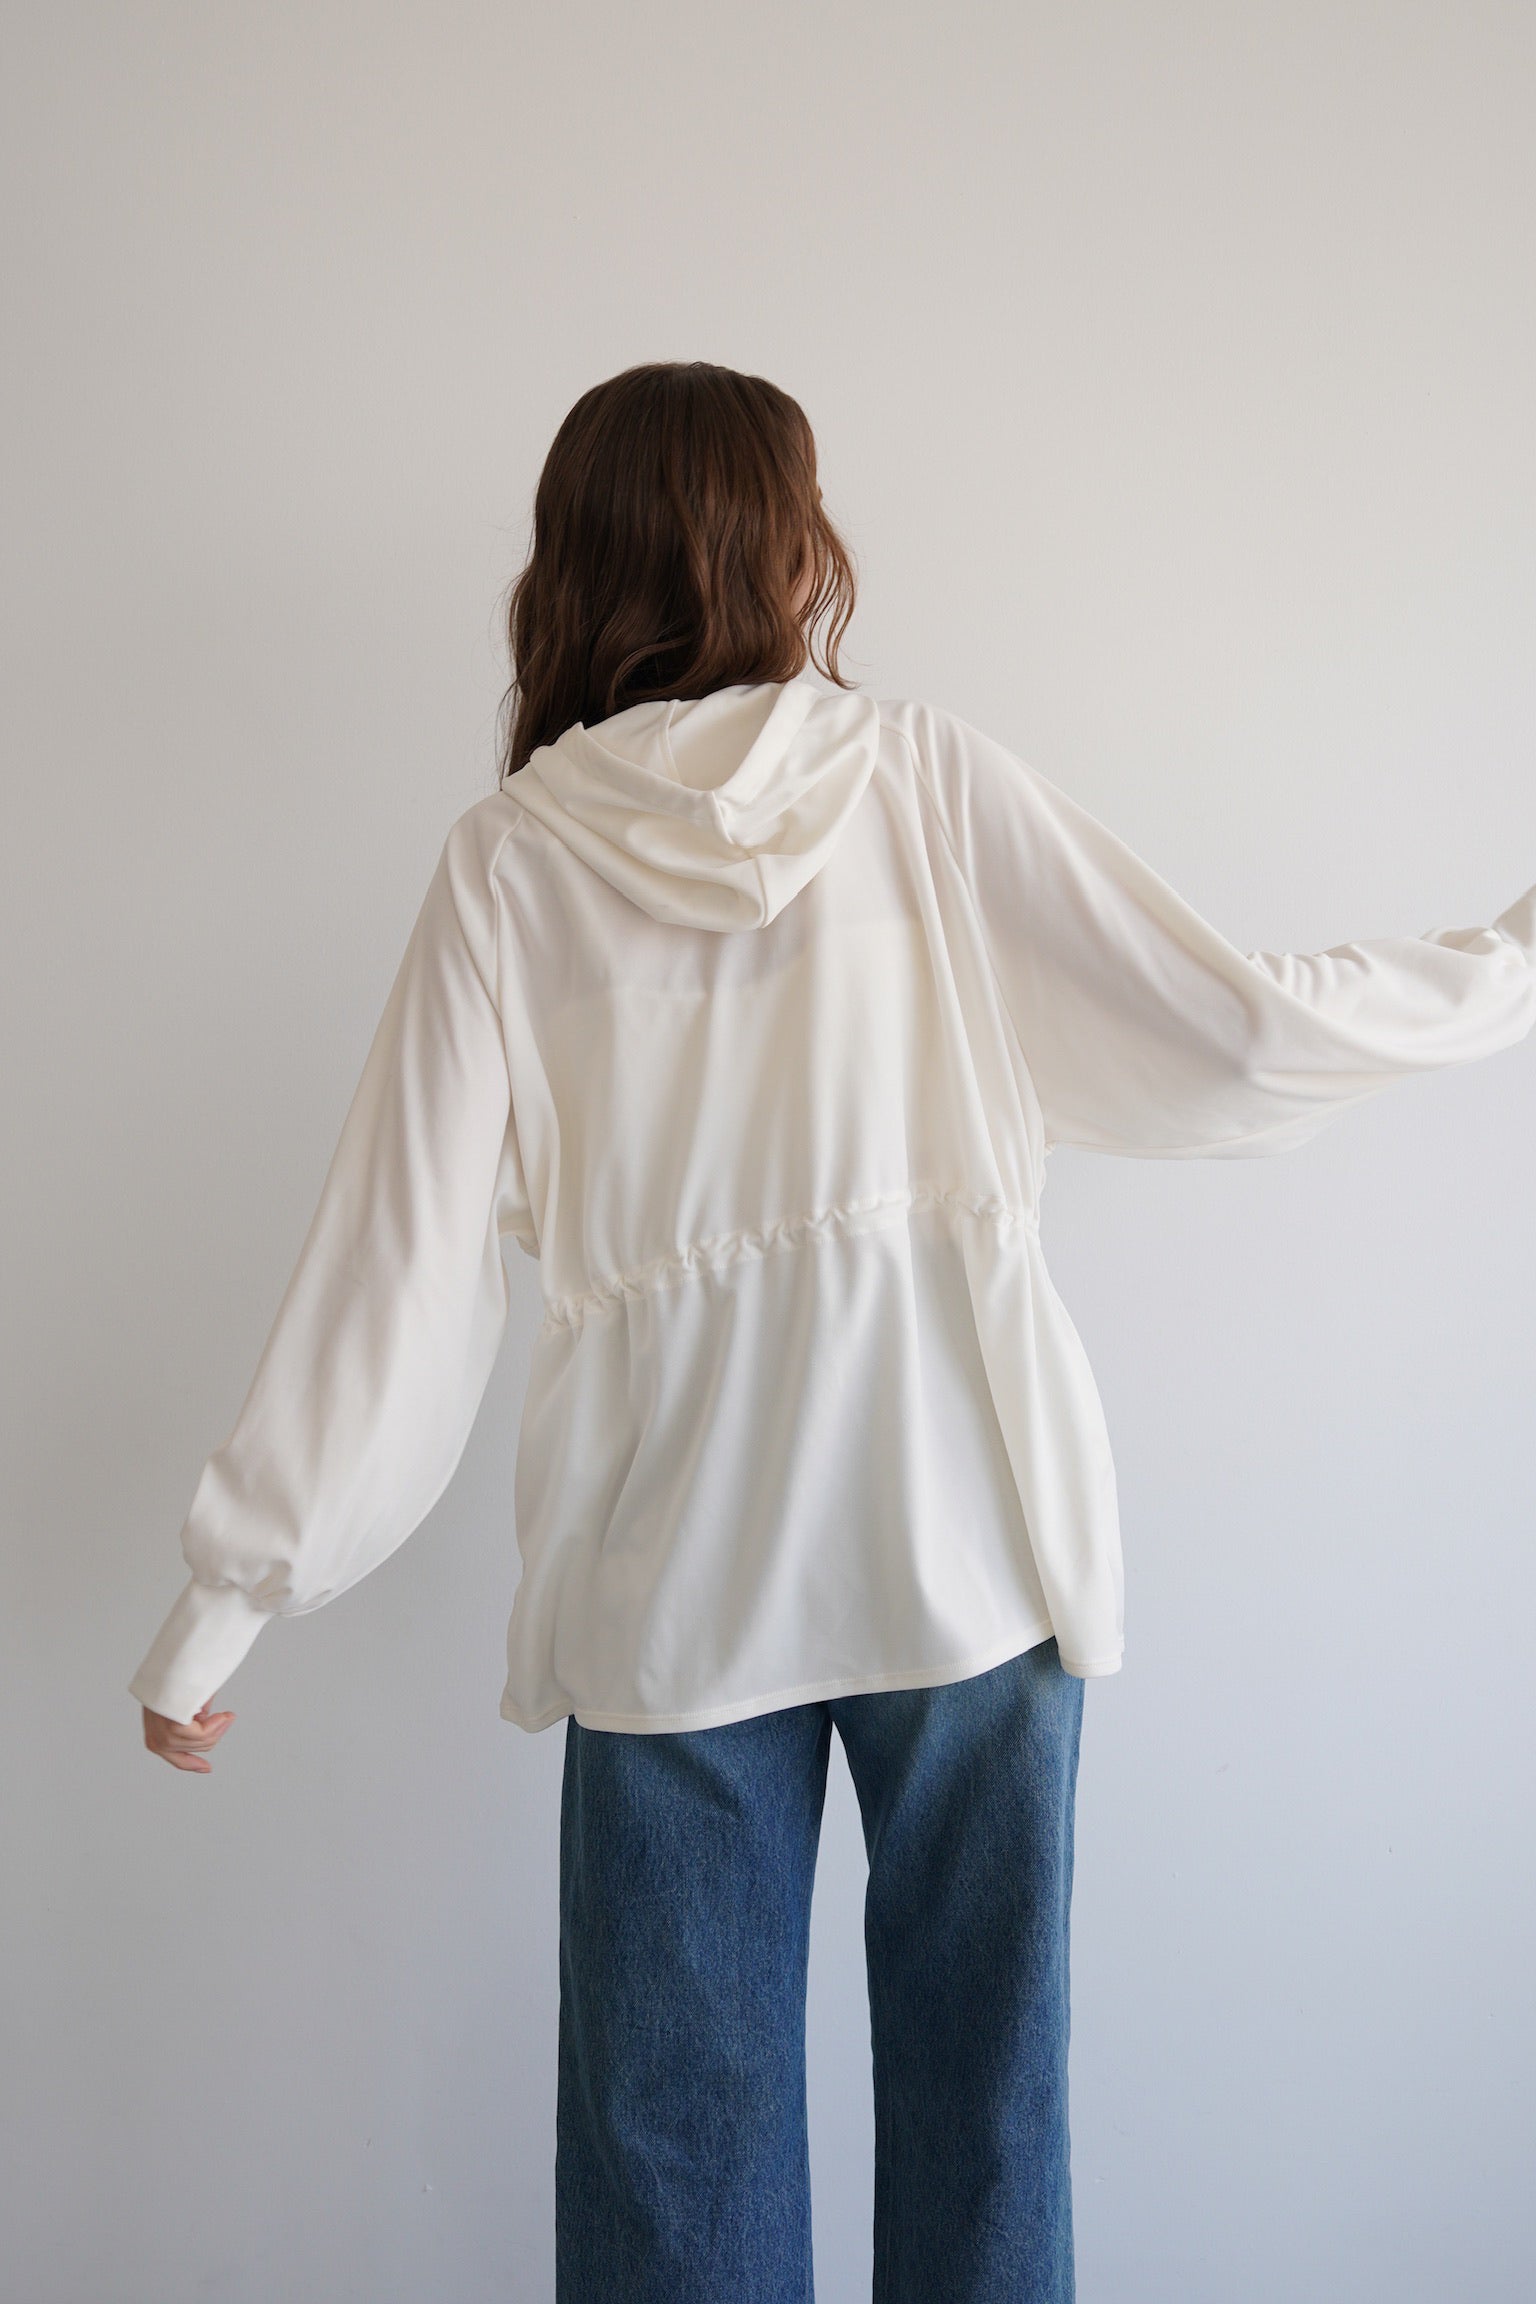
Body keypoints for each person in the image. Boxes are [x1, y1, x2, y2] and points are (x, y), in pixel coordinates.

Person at [130, 361, 1536, 2303]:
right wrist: (1502, 965)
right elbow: (1226, 1028)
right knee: (989, 2129)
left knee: (671, 2163)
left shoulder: (513, 865)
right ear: (784, 550)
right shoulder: (917, 782)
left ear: (570, 567)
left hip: (671, 1590)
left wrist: (229, 1600)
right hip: (967, 1549)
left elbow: (396, 1271)